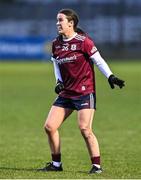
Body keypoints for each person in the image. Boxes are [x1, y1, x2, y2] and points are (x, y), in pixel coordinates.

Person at [38, 9, 125, 174]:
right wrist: (59, 82)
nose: (58, 23)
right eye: (57, 20)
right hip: (67, 94)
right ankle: (56, 165)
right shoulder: (56, 43)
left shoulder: (83, 41)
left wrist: (110, 76)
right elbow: (56, 63)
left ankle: (97, 167)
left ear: (71, 23)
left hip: (85, 92)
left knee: (85, 128)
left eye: (60, 20)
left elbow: (98, 61)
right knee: (49, 126)